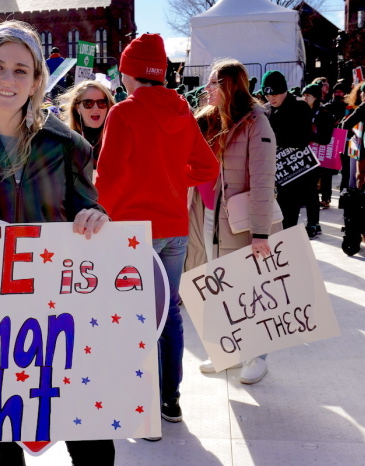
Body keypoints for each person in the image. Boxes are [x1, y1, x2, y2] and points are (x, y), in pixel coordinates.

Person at [0, 20, 114, 465]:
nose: (8, 80)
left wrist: (94, 215)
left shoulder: (66, 144)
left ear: (35, 82)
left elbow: (91, 205)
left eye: (21, 70)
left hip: (59, 310)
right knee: (2, 428)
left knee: (82, 428)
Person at [95, 33, 219, 439]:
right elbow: (207, 169)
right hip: (173, 229)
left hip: (133, 232)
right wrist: (172, 177)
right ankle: (170, 402)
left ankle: (143, 404)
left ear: (128, 73)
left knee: (134, 317)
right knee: (169, 315)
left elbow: (109, 178)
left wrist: (97, 214)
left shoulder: (124, 112)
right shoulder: (182, 109)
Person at [187, 59, 278, 384]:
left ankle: (257, 357)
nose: (207, 88)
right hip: (210, 217)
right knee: (220, 290)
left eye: (214, 82)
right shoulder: (208, 120)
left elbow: (264, 180)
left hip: (243, 222)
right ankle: (227, 352)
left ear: (231, 86)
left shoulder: (256, 122)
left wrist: (260, 233)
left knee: (252, 292)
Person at [261, 71, 316, 236]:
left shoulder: (300, 106)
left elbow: (304, 138)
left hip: (293, 173)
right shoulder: (265, 110)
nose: (271, 98)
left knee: (289, 218)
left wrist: (275, 140)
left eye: (275, 94)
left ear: (284, 90)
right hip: (271, 172)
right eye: (267, 95)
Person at [58, 79, 115, 165]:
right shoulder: (64, 141)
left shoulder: (118, 138)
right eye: (88, 103)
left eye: (102, 103)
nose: (96, 108)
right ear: (77, 108)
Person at [302, 83, 335, 216]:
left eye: (308, 95)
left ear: (315, 97)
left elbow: (325, 138)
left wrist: (307, 135)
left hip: (318, 157)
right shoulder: (304, 111)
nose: (304, 98)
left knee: (312, 190)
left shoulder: (323, 114)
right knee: (308, 189)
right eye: (303, 95)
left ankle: (313, 223)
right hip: (305, 155)